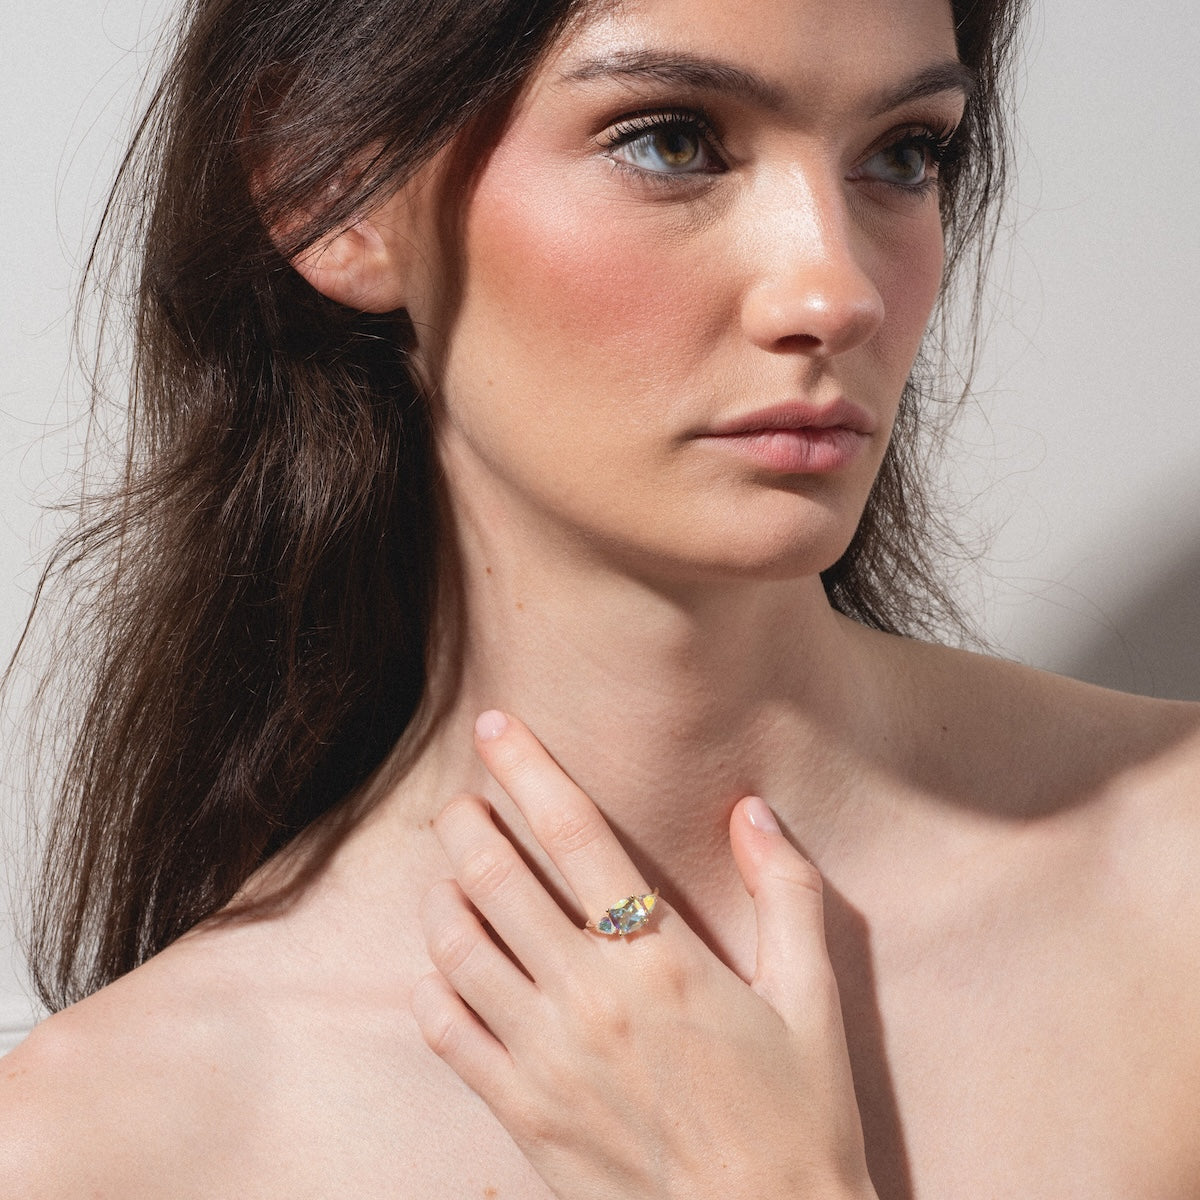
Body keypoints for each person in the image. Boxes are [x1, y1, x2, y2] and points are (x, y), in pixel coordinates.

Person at [2, 0, 1199, 1195]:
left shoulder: (1173, 875)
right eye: (671, 139)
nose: (837, 293)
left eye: (903, 153)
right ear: (333, 186)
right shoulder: (105, 1140)